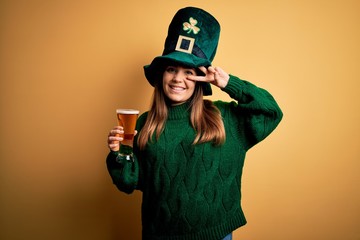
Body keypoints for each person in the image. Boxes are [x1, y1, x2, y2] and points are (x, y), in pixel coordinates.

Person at [106, 6, 283, 240]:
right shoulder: (145, 123)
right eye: (171, 69)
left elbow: (272, 112)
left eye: (189, 71)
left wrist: (229, 83)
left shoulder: (225, 118)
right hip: (160, 235)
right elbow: (130, 182)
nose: (178, 79)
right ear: (161, 74)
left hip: (215, 234)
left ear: (201, 77)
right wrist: (119, 154)